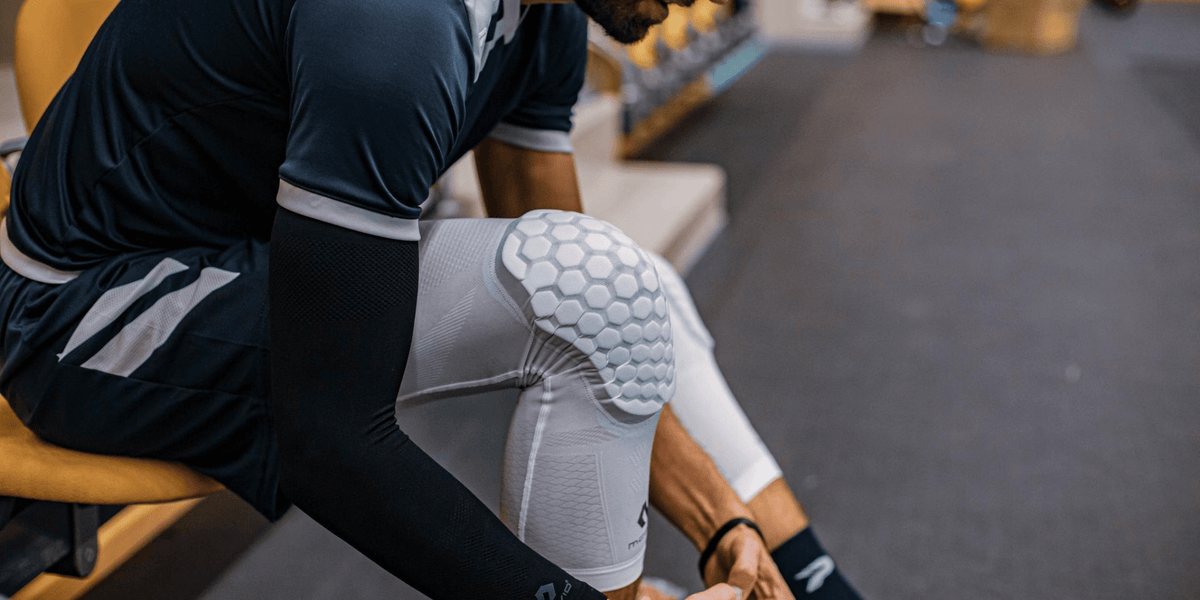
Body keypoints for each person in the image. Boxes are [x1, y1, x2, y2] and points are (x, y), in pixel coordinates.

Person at [0, 0, 737, 599]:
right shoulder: (398, 20)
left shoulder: (545, 18)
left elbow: (594, 315)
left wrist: (723, 524)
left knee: (609, 290)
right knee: (593, 286)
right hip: (77, 315)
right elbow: (331, 438)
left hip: (237, 261)